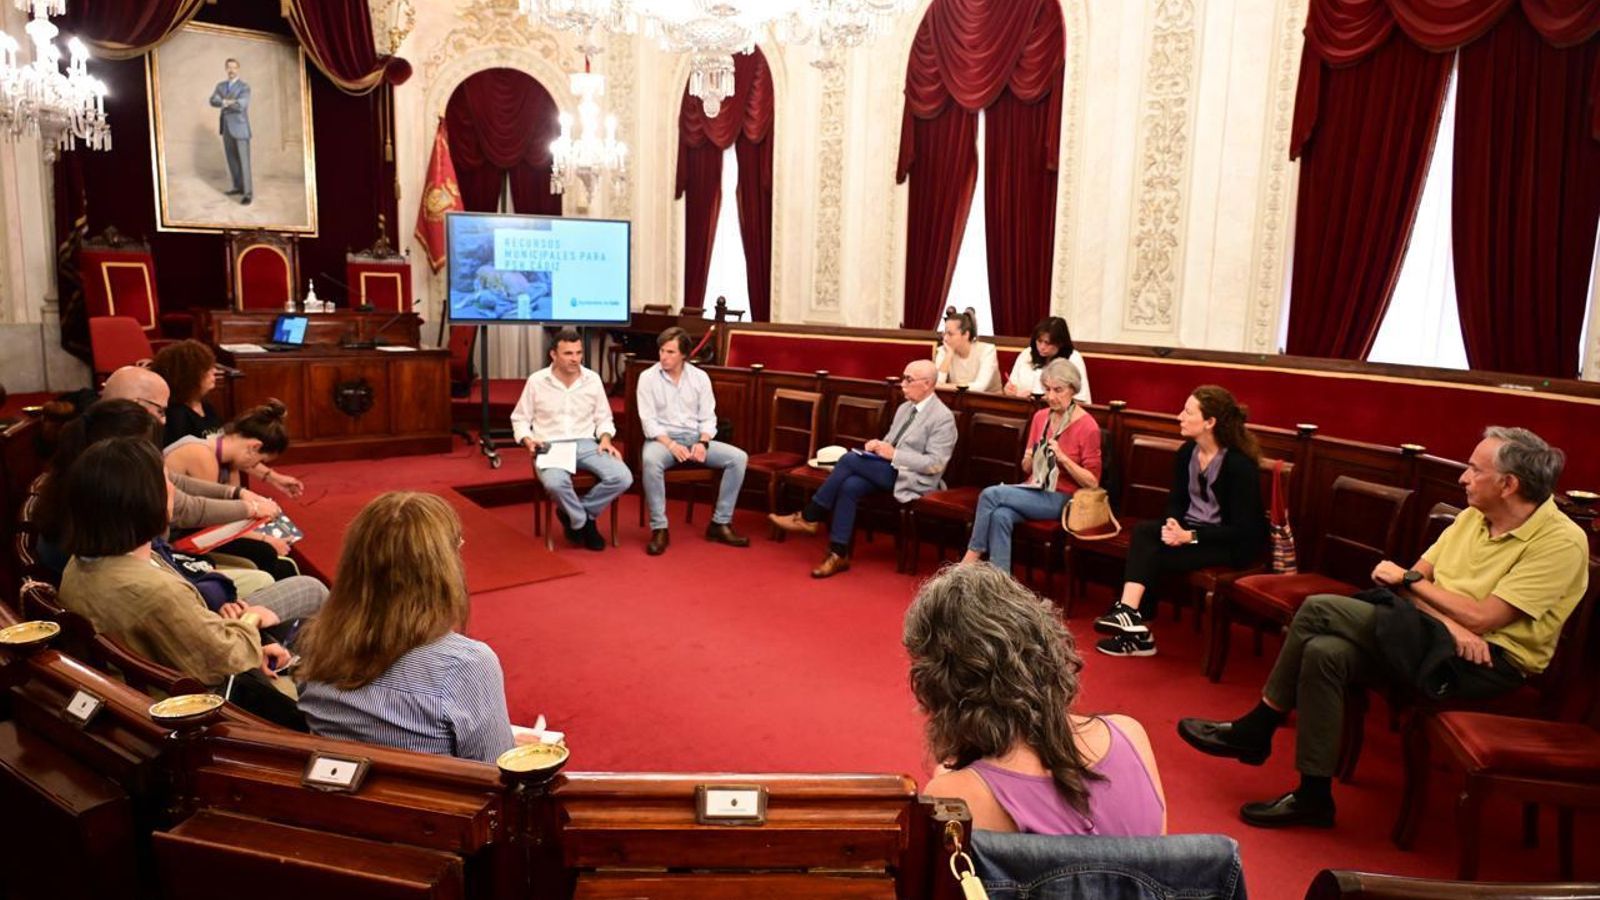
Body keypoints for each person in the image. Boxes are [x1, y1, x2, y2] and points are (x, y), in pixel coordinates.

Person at [1178, 427, 1588, 829]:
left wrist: (1423, 593)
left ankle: (1258, 726)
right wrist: (1448, 619)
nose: (1463, 477)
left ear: (1508, 484)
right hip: (1437, 637)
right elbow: (1406, 587)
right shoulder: (1471, 517)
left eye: (1474, 469)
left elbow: (1477, 615)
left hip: (1487, 664)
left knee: (1318, 610)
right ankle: (1313, 797)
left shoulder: (1560, 541)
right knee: (1325, 652)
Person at [906, 564, 1167, 835]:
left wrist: (951, 777)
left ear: (940, 685)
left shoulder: (957, 798)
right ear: (1047, 647)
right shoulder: (1131, 736)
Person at [56, 438, 297, 705]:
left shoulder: (79, 562)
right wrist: (252, 619)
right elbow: (223, 659)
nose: (173, 487)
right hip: (195, 709)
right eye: (165, 481)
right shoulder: (154, 590)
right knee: (309, 595)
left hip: (149, 688)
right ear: (143, 501)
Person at [296, 492, 517, 763]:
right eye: (455, 547)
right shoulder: (465, 664)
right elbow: (499, 774)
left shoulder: (316, 640)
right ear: (441, 569)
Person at [1093, 386, 1266, 657]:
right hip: (1191, 530)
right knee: (1145, 534)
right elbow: (1176, 500)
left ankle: (1136, 629)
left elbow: (1244, 530)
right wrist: (1173, 524)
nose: (1179, 417)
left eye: (1187, 412)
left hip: (1229, 545)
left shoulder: (1239, 465)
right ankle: (1129, 616)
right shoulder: (1188, 452)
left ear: (1210, 422)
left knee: (1148, 555)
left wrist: (1190, 537)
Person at [770, 359, 957, 578]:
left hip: (914, 478)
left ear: (927, 384)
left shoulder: (943, 418)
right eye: (903, 378)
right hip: (888, 469)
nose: (902, 384)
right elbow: (891, 440)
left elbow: (935, 464)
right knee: (850, 485)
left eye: (908, 379)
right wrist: (878, 445)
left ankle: (811, 515)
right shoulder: (905, 408)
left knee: (849, 460)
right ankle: (838, 553)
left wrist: (893, 454)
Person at [961, 359, 1101, 575]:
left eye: (1058, 390)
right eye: (1047, 390)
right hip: (1034, 489)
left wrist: (1063, 459)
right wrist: (1031, 458)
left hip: (1065, 498)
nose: (1051, 396)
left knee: (990, 495)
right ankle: (1000, 585)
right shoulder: (1040, 418)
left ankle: (970, 559)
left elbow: (1092, 482)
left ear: (1073, 390)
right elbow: (1027, 467)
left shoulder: (1088, 426)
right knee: (1000, 515)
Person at [510, 329, 632, 551]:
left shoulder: (592, 380)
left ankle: (577, 515)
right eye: (568, 353)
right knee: (555, 483)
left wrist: (605, 439)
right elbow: (519, 419)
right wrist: (528, 440)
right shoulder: (537, 381)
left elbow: (604, 418)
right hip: (550, 444)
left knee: (622, 476)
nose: (575, 359)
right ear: (553, 355)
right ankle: (584, 523)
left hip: (586, 443)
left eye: (578, 353)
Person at [636, 326, 749, 555]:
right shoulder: (647, 378)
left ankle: (720, 523)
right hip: (662, 441)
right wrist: (671, 445)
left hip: (696, 439)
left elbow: (708, 417)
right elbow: (648, 422)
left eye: (670, 352)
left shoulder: (700, 378)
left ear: (684, 355)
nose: (663, 357)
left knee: (738, 458)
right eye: (662, 351)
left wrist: (703, 442)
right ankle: (660, 528)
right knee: (650, 461)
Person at [149, 339, 222, 446]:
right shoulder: (176, 416)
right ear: (188, 375)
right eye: (207, 368)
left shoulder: (207, 406)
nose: (214, 371)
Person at [1005, 316, 1093, 402]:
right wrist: (1010, 392)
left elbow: (1080, 400)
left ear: (1060, 343)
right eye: (1039, 341)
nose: (1042, 347)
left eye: (1048, 343)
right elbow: (1011, 386)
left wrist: (1051, 399)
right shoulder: (1027, 353)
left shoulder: (1073, 358)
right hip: (1023, 408)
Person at [209, 57, 252, 205]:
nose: (231, 70)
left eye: (234, 67)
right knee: (232, 160)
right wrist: (226, 102)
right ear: (226, 69)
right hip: (226, 128)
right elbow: (212, 100)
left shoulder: (244, 87)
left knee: (244, 162)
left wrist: (223, 102)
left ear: (238, 69)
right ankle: (237, 187)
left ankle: (247, 193)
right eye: (229, 67)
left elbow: (241, 105)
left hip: (240, 127)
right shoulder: (220, 86)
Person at [934, 307, 1001, 393]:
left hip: (989, 399)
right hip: (957, 399)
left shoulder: (987, 350)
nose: (945, 338)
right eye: (944, 334)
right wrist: (949, 355)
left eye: (950, 334)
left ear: (966, 334)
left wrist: (947, 386)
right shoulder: (944, 350)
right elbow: (936, 384)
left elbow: (980, 387)